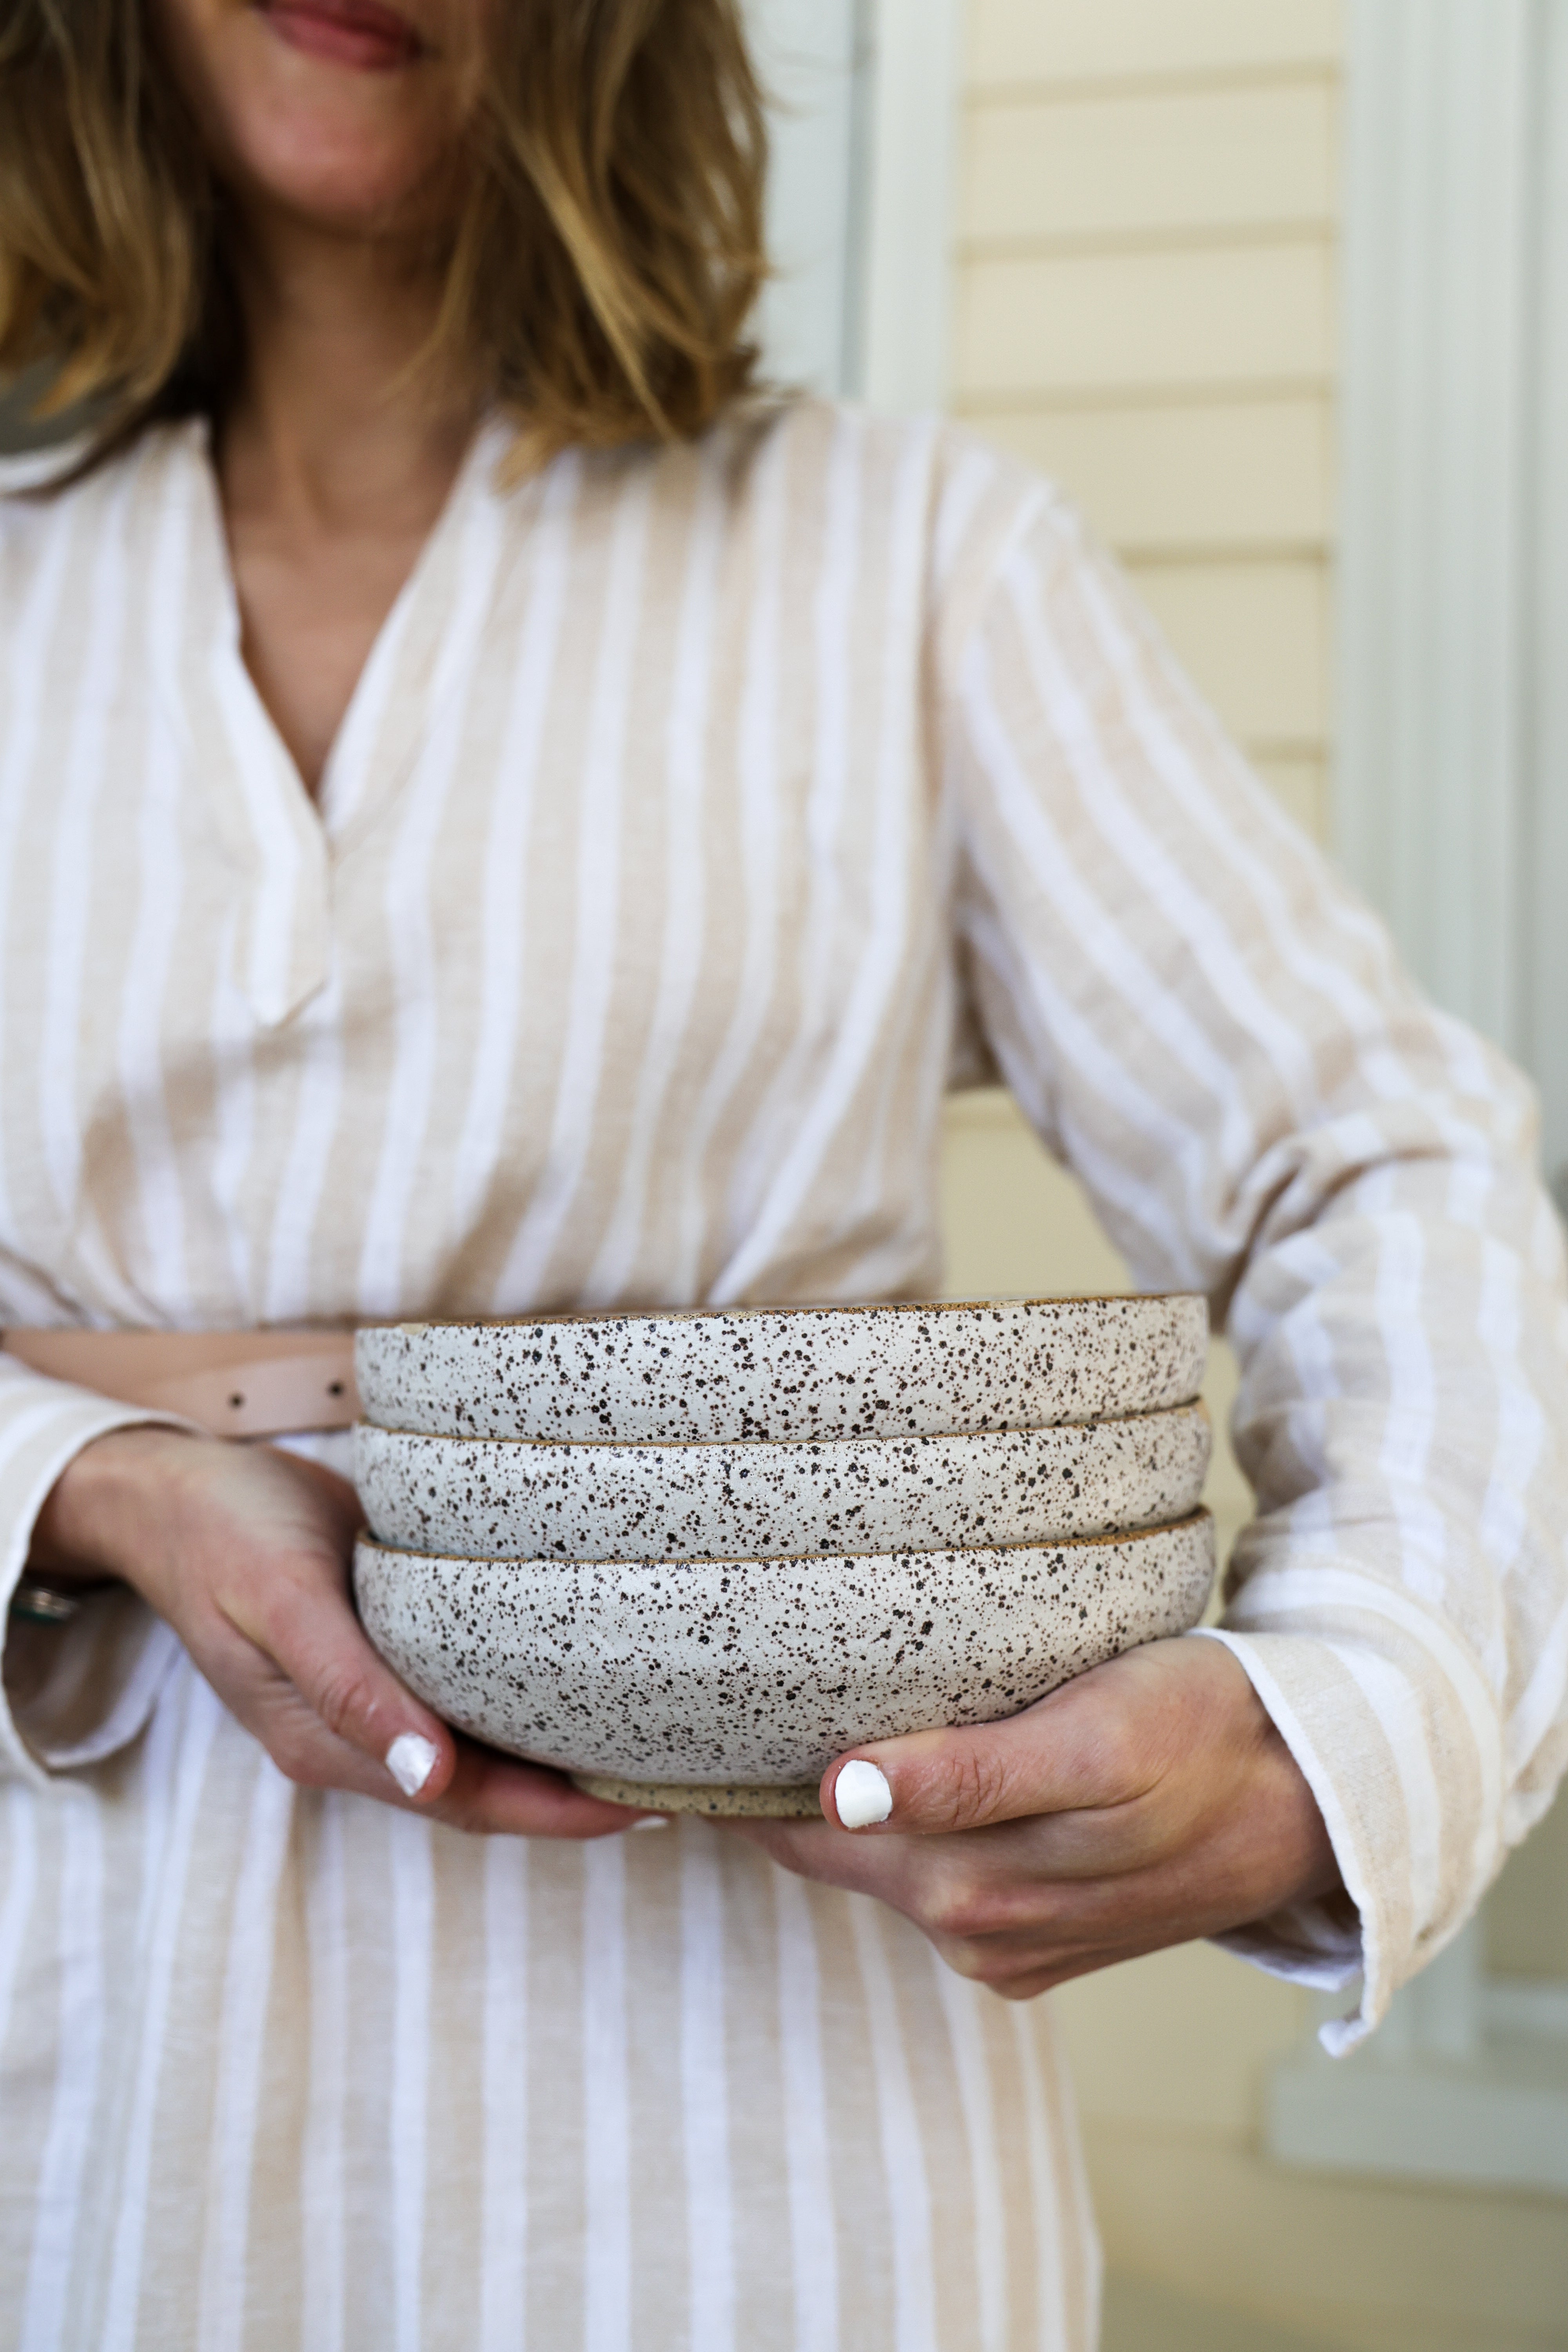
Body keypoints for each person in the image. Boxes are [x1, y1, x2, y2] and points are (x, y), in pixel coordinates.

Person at [0, 2, 1563, 2345]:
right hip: (99, 2072)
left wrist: (1340, 1719)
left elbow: (1382, 1161)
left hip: (766, 2162)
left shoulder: (913, 562)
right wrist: (91, 1478)